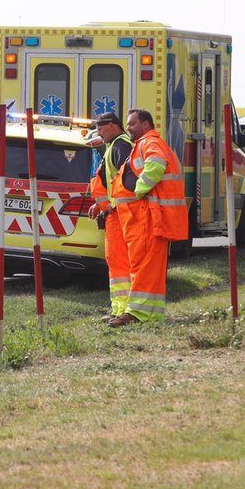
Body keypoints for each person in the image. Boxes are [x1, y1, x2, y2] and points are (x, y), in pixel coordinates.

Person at [106, 109, 187, 327]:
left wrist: (140, 190)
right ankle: (145, 314)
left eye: (132, 124)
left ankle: (138, 314)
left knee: (144, 267)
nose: (128, 128)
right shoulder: (142, 145)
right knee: (144, 267)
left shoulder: (150, 142)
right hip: (143, 218)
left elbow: (157, 164)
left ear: (146, 124)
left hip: (148, 218)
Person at [86, 112, 133, 322]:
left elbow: (126, 182)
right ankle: (118, 309)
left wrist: (111, 206)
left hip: (121, 214)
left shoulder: (120, 146)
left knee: (121, 263)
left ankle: (123, 310)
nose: (99, 133)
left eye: (101, 128)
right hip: (115, 213)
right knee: (115, 262)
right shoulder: (114, 146)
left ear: (113, 126)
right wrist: (100, 204)